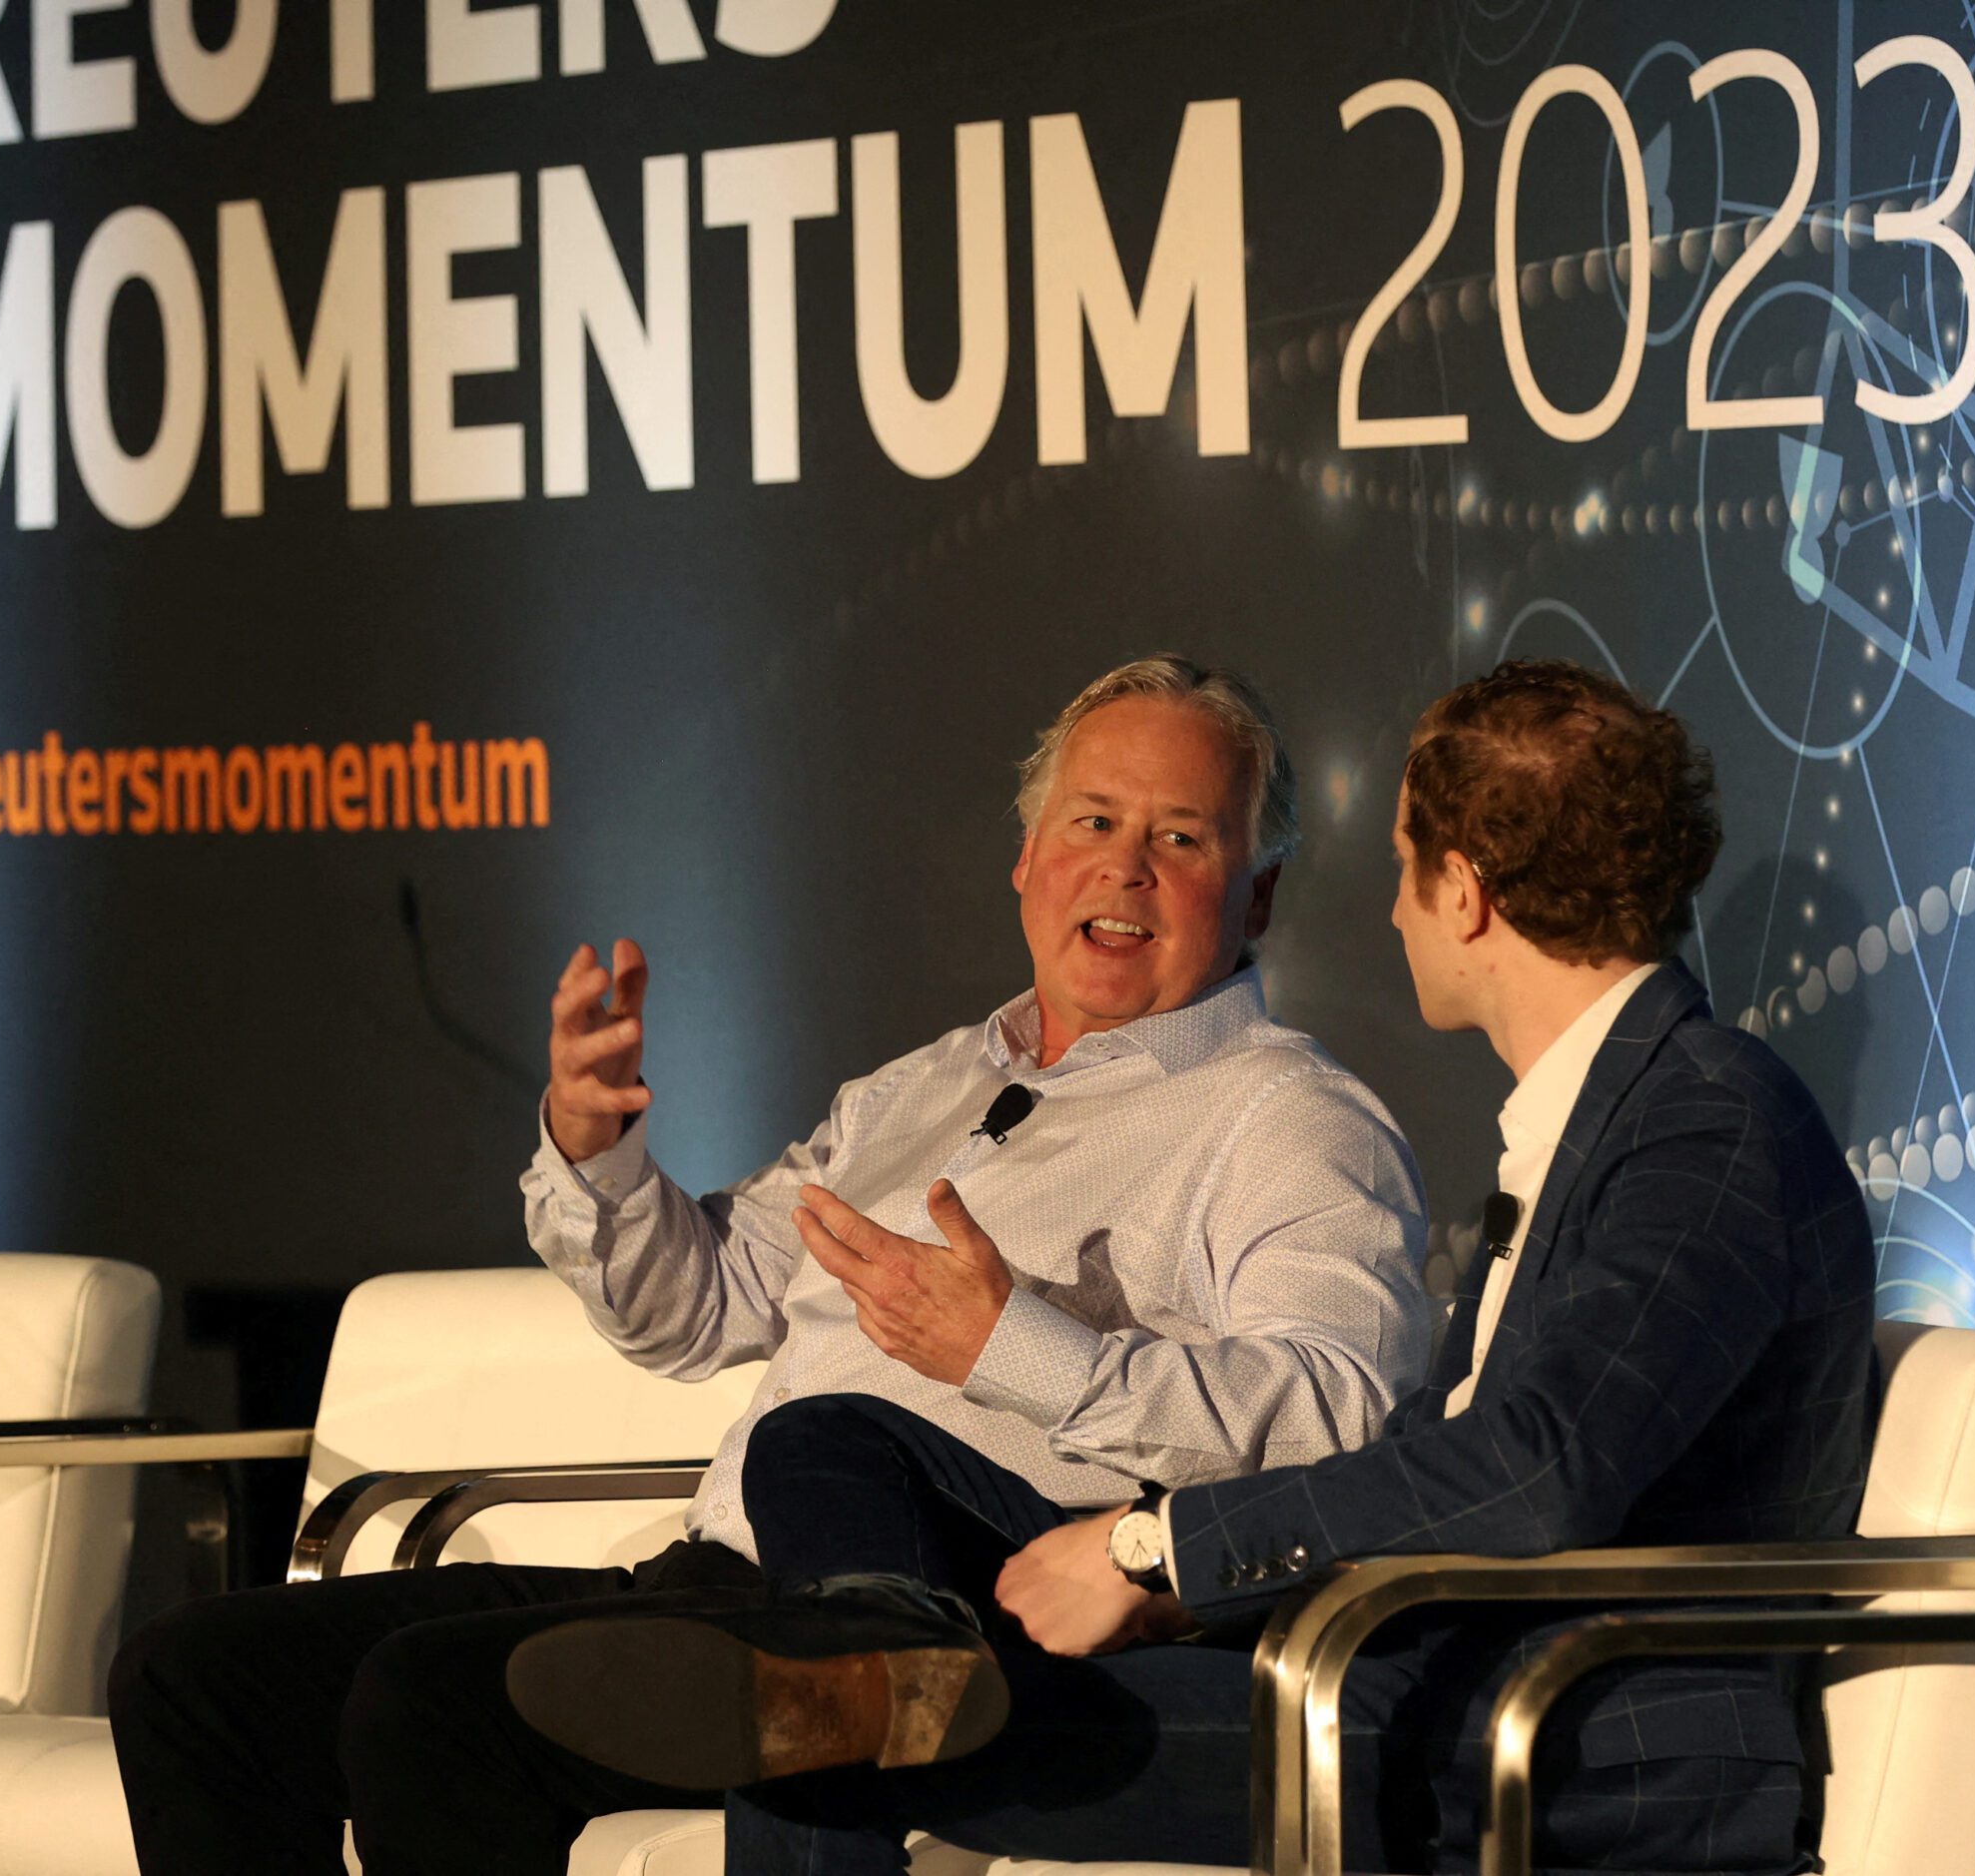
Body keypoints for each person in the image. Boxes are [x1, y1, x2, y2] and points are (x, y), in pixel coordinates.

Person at [511, 659, 1877, 1876]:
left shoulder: (1705, 1121)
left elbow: (1534, 1465)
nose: (1394, 915)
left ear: (1462, 893)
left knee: (829, 1718)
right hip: (1425, 1686)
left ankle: (841, 1677)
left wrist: (1155, 1542)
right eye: (1094, 825)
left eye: (1403, 871)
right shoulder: (1616, 1116)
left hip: (1561, 1739)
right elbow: (1477, 1450)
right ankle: (847, 1666)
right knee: (826, 1513)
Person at [106, 655, 1430, 1875]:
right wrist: (598, 1152)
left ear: (1256, 889)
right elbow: (699, 1312)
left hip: (970, 1620)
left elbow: (1336, 1418)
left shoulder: (1291, 1122)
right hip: (716, 1588)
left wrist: (1018, 1347)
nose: (1125, 868)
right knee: (200, 1672)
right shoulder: (920, 1090)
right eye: (1092, 822)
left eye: (1181, 838)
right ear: (1026, 860)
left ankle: (850, 1685)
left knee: (437, 1699)